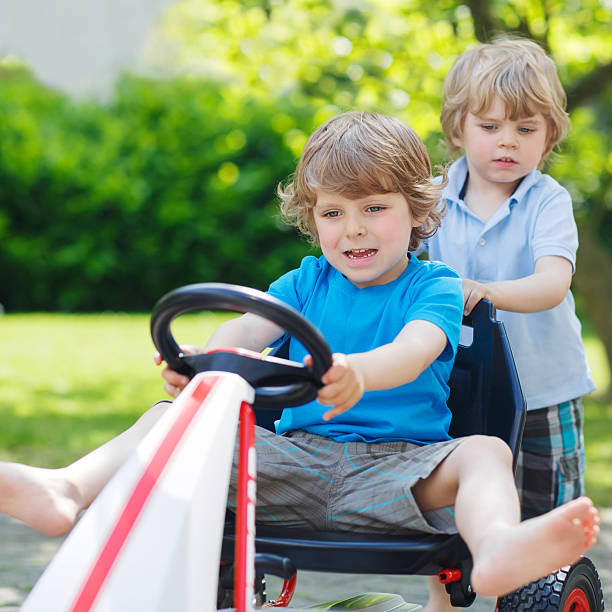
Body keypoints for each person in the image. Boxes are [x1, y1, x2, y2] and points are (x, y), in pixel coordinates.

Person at [1, 112, 599, 607]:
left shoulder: (434, 286)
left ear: (417, 210)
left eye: (374, 209)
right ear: (312, 220)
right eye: (334, 213)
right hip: (291, 464)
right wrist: (204, 362)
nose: (353, 231)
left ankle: (494, 547)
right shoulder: (303, 284)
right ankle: (66, 489)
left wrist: (361, 372)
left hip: (400, 472)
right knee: (168, 419)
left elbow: (416, 351)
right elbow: (244, 327)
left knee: (487, 452)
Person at [421, 37, 597, 609]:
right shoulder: (436, 198)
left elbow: (552, 283)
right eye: (491, 126)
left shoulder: (547, 202)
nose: (507, 142)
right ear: (458, 129)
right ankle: (443, 602)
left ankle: (543, 596)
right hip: (461, 392)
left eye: (525, 129)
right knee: (449, 516)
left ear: (549, 137)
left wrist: (485, 291)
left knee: (545, 524)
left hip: (544, 390)